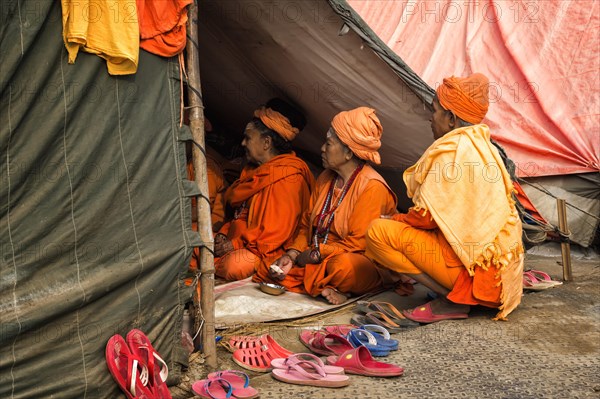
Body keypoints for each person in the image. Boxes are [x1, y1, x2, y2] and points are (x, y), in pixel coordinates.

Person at [365, 73, 524, 322]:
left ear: (450, 119)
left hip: (481, 281)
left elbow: (427, 218)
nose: (431, 118)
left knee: (378, 232)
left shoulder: (453, 151)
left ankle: (452, 301)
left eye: (435, 111)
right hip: (503, 282)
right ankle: (456, 293)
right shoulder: (486, 148)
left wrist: (396, 219)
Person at [254, 107, 399, 305]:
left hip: (358, 260)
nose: (322, 148)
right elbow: (306, 225)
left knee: (343, 267)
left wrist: (317, 254)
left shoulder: (372, 187)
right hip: (318, 256)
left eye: (328, 143)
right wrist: (293, 253)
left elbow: (358, 244)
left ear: (348, 152)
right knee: (269, 267)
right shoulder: (325, 178)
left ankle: (340, 285)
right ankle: (327, 284)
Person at [214, 99, 314, 281]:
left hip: (264, 251)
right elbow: (239, 214)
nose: (243, 143)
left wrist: (233, 244)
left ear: (266, 142)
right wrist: (223, 234)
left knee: (234, 266)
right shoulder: (254, 170)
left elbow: (272, 238)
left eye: (248, 138)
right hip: (238, 241)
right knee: (192, 239)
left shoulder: (289, 177)